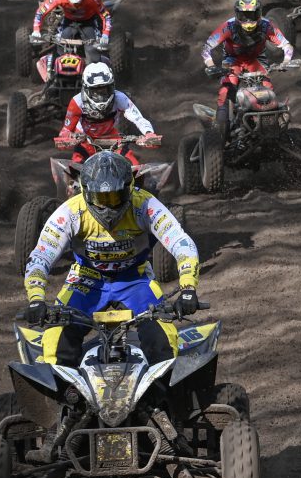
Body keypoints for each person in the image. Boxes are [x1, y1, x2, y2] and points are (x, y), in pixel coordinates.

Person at [23, 151, 200, 368]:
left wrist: (188, 288)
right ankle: (61, 387)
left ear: (129, 189)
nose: (108, 207)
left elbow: (181, 243)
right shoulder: (71, 212)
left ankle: (162, 388)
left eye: (115, 197)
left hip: (135, 280)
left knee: (163, 342)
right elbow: (41, 255)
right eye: (101, 198)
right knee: (56, 344)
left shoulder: (144, 205)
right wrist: (36, 299)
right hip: (86, 280)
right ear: (85, 192)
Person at [201, 0, 295, 122]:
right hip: (233, 60)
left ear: (259, 13)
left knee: (268, 89)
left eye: (252, 15)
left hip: (255, 59)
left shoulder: (266, 26)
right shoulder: (228, 27)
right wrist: (211, 66)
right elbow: (206, 47)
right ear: (237, 14)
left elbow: (286, 45)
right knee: (226, 89)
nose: (248, 20)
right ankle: (222, 124)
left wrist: (286, 61)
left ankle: (273, 122)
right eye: (244, 15)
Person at [57, 63, 160, 164]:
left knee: (133, 166)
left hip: (113, 140)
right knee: (74, 169)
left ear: (112, 86)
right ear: (86, 89)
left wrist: (149, 133)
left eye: (104, 90)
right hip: (85, 141)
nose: (100, 96)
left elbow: (138, 119)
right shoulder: (77, 102)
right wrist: (65, 138)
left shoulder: (120, 98)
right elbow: (66, 129)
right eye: (95, 92)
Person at [32, 0, 113, 65]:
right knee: (60, 49)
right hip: (68, 22)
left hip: (89, 22)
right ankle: (54, 71)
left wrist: (105, 35)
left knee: (94, 54)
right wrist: (36, 30)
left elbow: (106, 15)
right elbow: (41, 12)